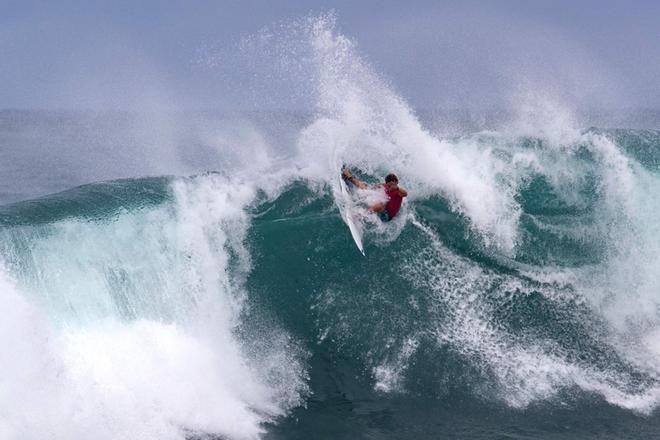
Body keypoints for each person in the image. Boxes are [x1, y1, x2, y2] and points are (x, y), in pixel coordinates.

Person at [342, 167, 408, 221]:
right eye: (388, 185)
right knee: (364, 187)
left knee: (382, 204)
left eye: (391, 185)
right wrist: (367, 189)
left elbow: (405, 194)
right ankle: (348, 175)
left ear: (396, 183)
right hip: (378, 209)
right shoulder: (385, 186)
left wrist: (396, 187)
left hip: (386, 216)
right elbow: (374, 187)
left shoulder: (398, 192)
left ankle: (360, 215)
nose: (389, 187)